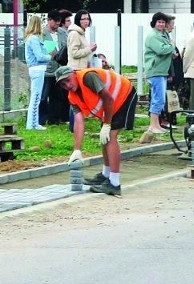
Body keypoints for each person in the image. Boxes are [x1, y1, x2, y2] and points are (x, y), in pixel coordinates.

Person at [56, 65, 138, 197]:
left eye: (68, 80)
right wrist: (77, 149)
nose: (67, 85)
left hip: (124, 94)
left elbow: (108, 98)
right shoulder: (72, 97)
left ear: (74, 74)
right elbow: (78, 121)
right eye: (63, 84)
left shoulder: (88, 77)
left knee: (110, 137)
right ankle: (105, 175)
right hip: (111, 104)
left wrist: (107, 124)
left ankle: (114, 184)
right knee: (104, 138)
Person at [144, 12, 174, 133]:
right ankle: (152, 126)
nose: (161, 24)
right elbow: (161, 49)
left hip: (162, 70)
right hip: (155, 70)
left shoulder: (163, 34)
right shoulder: (153, 36)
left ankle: (156, 125)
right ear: (154, 23)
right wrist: (172, 46)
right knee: (158, 99)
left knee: (160, 99)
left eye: (163, 22)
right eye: (159, 22)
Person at [24, 15, 55, 130]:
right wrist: (49, 56)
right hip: (38, 69)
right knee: (36, 97)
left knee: (35, 96)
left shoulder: (29, 38)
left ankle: (33, 123)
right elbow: (39, 56)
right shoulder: (34, 39)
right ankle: (32, 124)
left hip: (34, 69)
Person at [40, 10, 67, 125]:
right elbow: (49, 51)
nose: (57, 24)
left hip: (60, 69)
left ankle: (54, 119)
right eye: (55, 21)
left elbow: (65, 46)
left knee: (58, 95)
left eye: (59, 21)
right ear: (49, 20)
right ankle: (42, 119)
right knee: (43, 96)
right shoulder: (42, 33)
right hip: (47, 70)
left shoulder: (62, 32)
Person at [160, 15, 184, 128]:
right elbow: (165, 56)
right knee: (164, 96)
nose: (173, 27)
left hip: (171, 72)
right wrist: (170, 73)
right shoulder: (163, 38)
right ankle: (164, 119)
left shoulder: (166, 37)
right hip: (166, 72)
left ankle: (170, 118)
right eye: (172, 25)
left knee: (169, 95)